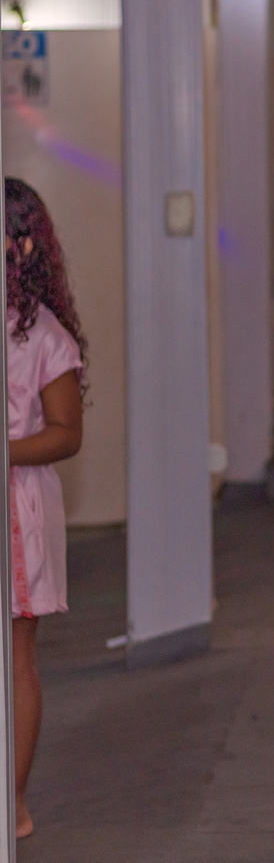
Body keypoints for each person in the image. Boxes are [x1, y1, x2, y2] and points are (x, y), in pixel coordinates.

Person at [4, 178, 86, 840]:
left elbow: (66, 433)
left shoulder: (43, 334)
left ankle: (14, 801)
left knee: (14, 655)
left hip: (16, 508)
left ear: (22, 244)